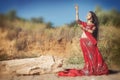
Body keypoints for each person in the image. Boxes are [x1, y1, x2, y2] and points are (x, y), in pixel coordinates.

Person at [58, 5, 109, 77]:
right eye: (87, 14)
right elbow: (77, 20)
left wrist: (84, 28)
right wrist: (77, 11)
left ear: (92, 17)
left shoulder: (93, 25)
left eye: (89, 14)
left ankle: (94, 69)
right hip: (83, 41)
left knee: (92, 56)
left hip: (89, 42)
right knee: (87, 56)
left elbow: (91, 32)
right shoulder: (85, 23)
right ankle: (90, 68)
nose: (87, 15)